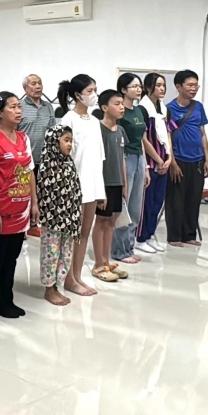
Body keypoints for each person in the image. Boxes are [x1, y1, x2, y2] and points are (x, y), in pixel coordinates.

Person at [0, 91, 37, 319]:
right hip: (2, 209)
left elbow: (29, 171)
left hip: (21, 209)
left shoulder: (24, 138)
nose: (18, 111)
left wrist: (34, 202)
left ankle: (8, 297)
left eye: (19, 107)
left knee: (12, 258)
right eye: (12, 107)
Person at [56, 74, 104, 296]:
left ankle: (77, 276)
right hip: (74, 185)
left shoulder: (94, 121)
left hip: (92, 185)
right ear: (77, 95)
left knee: (85, 232)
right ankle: (68, 278)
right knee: (72, 234)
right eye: (89, 91)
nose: (94, 95)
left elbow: (99, 158)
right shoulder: (68, 120)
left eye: (95, 90)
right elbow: (63, 157)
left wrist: (100, 190)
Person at [165, 70, 208, 247]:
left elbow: (203, 133)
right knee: (175, 201)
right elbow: (167, 137)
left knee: (193, 199)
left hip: (197, 161)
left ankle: (189, 235)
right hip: (178, 160)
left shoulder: (198, 107)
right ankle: (174, 237)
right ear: (179, 87)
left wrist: (207, 159)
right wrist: (172, 162)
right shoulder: (169, 109)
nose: (194, 88)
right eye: (190, 85)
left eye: (196, 85)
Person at [36, 124, 81, 306]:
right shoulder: (47, 164)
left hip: (69, 220)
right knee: (51, 253)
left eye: (71, 141)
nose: (69, 144)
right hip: (53, 221)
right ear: (54, 142)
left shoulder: (68, 162)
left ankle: (57, 285)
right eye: (66, 140)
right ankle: (49, 288)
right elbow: (46, 194)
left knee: (65, 253)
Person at [111, 74, 152, 265]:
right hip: (125, 158)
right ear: (123, 90)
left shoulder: (139, 111)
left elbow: (142, 140)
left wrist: (146, 167)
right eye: (134, 86)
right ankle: (119, 250)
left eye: (139, 86)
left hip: (139, 158)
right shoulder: (120, 113)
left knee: (135, 208)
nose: (138, 89)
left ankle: (129, 247)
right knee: (124, 206)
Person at [91, 90, 128, 283]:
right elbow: (96, 160)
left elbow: (122, 159)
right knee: (101, 221)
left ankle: (107, 261)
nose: (121, 107)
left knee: (112, 221)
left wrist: (125, 184)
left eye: (122, 103)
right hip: (103, 184)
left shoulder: (120, 130)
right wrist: (100, 189)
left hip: (117, 183)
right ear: (105, 107)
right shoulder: (98, 129)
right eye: (117, 103)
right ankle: (98, 264)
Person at [135, 73, 173, 255]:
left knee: (158, 202)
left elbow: (168, 134)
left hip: (164, 162)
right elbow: (143, 139)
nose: (162, 88)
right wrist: (158, 160)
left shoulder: (164, 109)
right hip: (151, 162)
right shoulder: (142, 109)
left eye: (163, 85)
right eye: (158, 85)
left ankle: (150, 235)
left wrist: (169, 157)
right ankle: (140, 238)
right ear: (148, 87)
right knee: (146, 203)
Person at [17, 74, 54, 237]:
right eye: (33, 83)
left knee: (41, 193)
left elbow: (53, 132)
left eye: (40, 83)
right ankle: (22, 225)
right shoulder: (19, 106)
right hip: (24, 160)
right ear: (25, 88)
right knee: (23, 192)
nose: (38, 86)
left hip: (44, 159)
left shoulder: (48, 107)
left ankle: (34, 223)